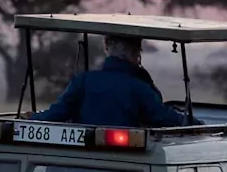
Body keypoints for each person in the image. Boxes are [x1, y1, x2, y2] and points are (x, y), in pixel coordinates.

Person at [23, 34, 199, 128]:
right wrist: (194, 124)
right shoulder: (139, 88)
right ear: (137, 52)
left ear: (106, 48)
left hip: (82, 169)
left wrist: (34, 119)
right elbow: (162, 117)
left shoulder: (83, 81)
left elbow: (57, 113)